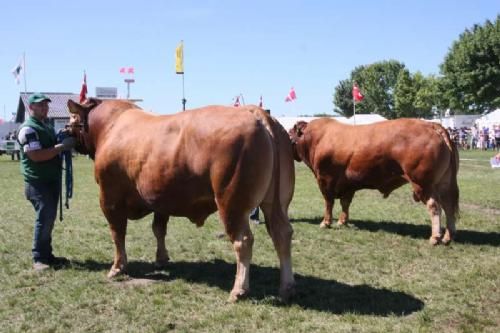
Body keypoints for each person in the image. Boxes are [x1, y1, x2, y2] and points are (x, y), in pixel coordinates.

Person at [17, 93, 75, 271]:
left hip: (50, 180)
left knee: (48, 219)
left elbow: (48, 143)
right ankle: (39, 258)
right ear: (31, 107)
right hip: (37, 182)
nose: (45, 108)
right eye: (40, 105)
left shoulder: (45, 126)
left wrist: (60, 135)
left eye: (46, 105)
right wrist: (61, 147)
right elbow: (36, 155)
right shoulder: (28, 129)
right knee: (44, 219)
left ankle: (47, 255)